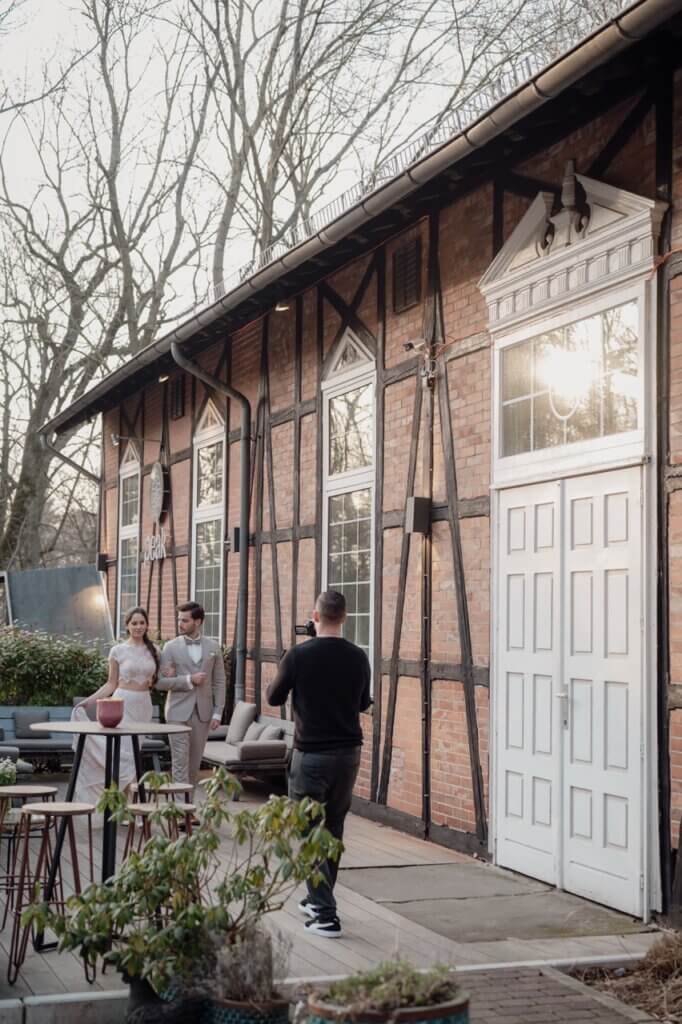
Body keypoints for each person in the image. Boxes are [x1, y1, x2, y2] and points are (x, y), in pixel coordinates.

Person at [266, 589, 371, 939]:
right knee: (334, 828)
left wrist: (286, 664)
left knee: (311, 832)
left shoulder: (298, 655)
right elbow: (362, 704)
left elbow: (274, 697)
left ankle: (325, 915)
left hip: (311, 754)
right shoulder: (359, 656)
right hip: (349, 754)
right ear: (344, 617)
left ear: (315, 615)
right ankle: (316, 899)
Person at [73, 606, 157, 804]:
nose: (138, 627)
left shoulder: (155, 650)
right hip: (123, 704)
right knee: (125, 756)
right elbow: (111, 683)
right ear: (127, 626)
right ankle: (127, 806)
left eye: (142, 623)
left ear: (147, 625)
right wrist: (88, 701)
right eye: (134, 623)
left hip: (144, 706)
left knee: (136, 753)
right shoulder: (117, 651)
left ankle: (130, 805)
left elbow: (158, 679)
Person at [157, 601, 225, 787]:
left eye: (185, 620)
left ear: (198, 622)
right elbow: (160, 682)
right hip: (177, 713)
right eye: (179, 619)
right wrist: (188, 680)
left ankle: (188, 810)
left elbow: (219, 682)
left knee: (194, 765)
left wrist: (218, 712)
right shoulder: (170, 647)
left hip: (203, 714)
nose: (180, 624)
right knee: (180, 763)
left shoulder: (213, 647)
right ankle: (180, 811)